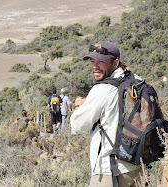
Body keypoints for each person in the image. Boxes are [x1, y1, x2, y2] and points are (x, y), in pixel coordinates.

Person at [70, 41, 141, 187]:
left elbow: (78, 126)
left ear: (115, 63)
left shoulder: (103, 89)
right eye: (92, 61)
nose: (95, 66)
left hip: (110, 170)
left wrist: (78, 105)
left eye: (101, 62)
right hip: (137, 166)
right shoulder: (137, 80)